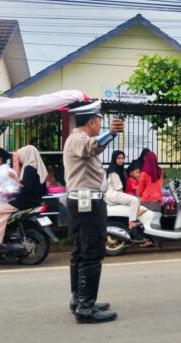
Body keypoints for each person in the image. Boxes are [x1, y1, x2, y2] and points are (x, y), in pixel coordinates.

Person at [63, 101, 122, 323]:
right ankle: (85, 308)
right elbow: (92, 147)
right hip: (87, 205)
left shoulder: (76, 138)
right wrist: (112, 133)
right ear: (91, 121)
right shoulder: (79, 139)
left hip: (82, 203)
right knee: (91, 252)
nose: (100, 124)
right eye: (99, 121)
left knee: (80, 251)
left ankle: (79, 299)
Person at [0, 145, 48, 257]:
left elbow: (25, 188)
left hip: (24, 201)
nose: (19, 159)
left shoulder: (28, 168)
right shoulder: (38, 168)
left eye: (20, 156)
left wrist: (16, 180)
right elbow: (40, 189)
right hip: (35, 200)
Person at [105, 150, 143, 229]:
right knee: (134, 200)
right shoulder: (114, 171)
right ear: (114, 158)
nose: (121, 160)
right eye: (118, 158)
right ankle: (131, 222)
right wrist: (125, 196)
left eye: (122, 158)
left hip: (113, 193)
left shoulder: (118, 168)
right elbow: (118, 188)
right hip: (113, 194)